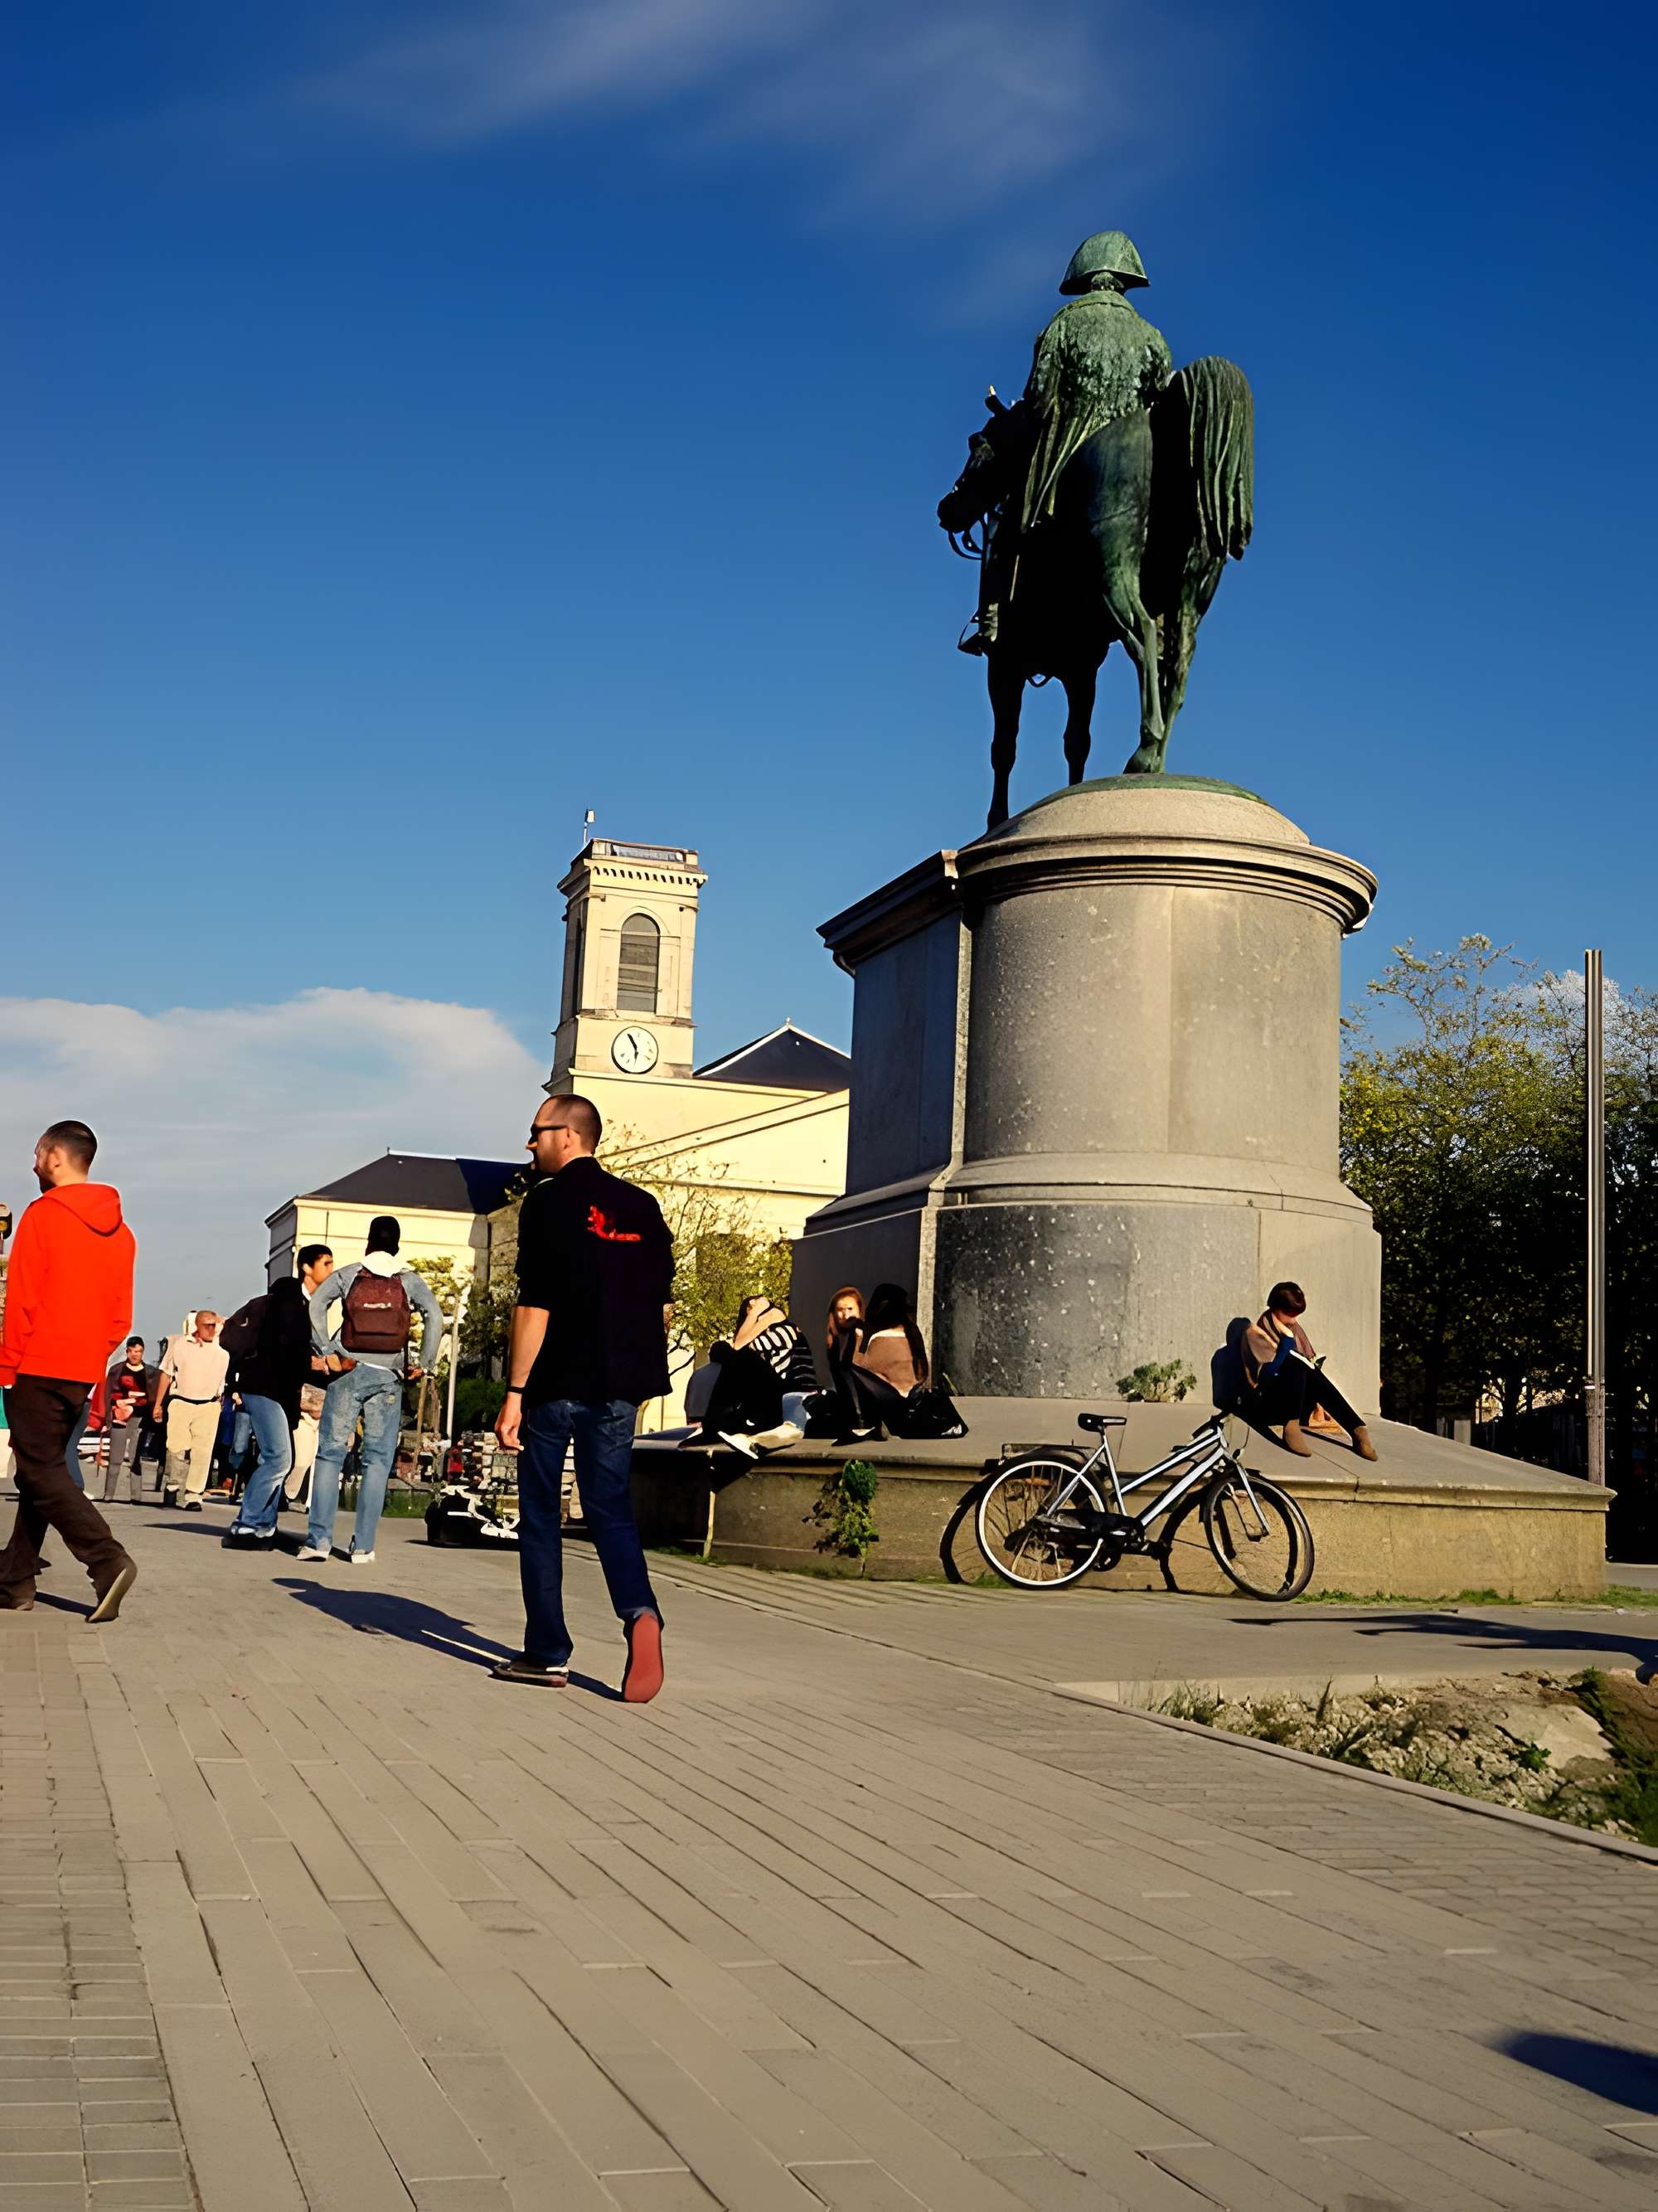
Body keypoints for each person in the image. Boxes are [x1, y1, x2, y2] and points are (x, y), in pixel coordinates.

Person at [493, 1094, 672, 1698]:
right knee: (610, 1509)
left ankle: (547, 1652)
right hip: (621, 1384)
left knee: (542, 1515)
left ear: (568, 1136)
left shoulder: (545, 1204)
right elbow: (662, 1309)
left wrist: (515, 1391)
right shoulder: (643, 1207)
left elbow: (534, 1304)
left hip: (556, 1385)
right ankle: (641, 1615)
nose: (530, 1145)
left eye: (536, 1132)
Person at [0, 1120, 138, 1621]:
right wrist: (89, 1353)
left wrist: (7, 1367)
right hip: (82, 1371)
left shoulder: (43, 1216)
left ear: (55, 1156)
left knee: (38, 1468)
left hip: (36, 1362)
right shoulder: (123, 1235)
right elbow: (120, 1319)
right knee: (45, 1470)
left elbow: (23, 1301)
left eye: (36, 1156)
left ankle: (106, 1559)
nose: (33, 1165)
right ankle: (15, 1580)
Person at [302, 1215, 442, 1564]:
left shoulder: (349, 1274)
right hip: (389, 1375)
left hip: (348, 1372)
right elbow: (435, 1316)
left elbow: (317, 1305)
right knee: (378, 1461)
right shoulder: (408, 1280)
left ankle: (318, 1542)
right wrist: (423, 1361)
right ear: (397, 1245)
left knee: (330, 1454)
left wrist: (326, 1349)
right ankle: (363, 1546)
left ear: (368, 1242)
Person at [221, 1272, 318, 1546]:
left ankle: (264, 1525)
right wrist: (321, 1368)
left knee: (273, 1459)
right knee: (279, 1459)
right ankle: (247, 1524)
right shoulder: (291, 1308)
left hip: (261, 1389)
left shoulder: (266, 1309)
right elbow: (294, 1355)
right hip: (268, 1390)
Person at [1242, 1283, 1378, 1461]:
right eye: (1290, 1314)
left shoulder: (1292, 1327)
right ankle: (1290, 1427)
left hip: (1297, 1400)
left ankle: (1357, 1429)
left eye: (1296, 1314)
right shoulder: (1255, 1334)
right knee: (1295, 1364)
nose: (1294, 1320)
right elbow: (1266, 1375)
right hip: (1269, 1403)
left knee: (1309, 1370)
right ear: (1275, 1307)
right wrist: (1287, 1341)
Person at [691, 1295, 818, 1458]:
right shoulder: (772, 1332)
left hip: (789, 1398)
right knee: (732, 1356)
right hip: (776, 1399)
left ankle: (715, 1423)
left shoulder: (785, 1330)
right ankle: (721, 1423)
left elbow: (739, 1346)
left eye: (759, 1308)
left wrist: (755, 1315)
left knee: (734, 1354)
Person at [829, 1281, 931, 1439]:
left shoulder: (882, 1338)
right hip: (911, 1400)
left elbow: (859, 1370)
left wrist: (856, 1339)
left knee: (845, 1368)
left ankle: (862, 1426)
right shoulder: (912, 1332)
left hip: (895, 1404)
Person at [155, 1310, 229, 1510]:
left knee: (202, 1452)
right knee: (177, 1448)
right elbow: (166, 1374)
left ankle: (193, 1495)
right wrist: (158, 1404)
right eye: (208, 1326)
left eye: (215, 1325)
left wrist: (220, 1321)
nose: (212, 1329)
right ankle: (173, 1486)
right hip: (181, 1401)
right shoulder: (179, 1344)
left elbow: (233, 1324)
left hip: (209, 1405)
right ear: (197, 1326)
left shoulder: (221, 1347)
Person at [99, 1338, 157, 1506]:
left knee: (135, 1457)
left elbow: (153, 1397)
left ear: (143, 1351)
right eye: (132, 1351)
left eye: (138, 1351)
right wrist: (113, 1409)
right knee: (115, 1458)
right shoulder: (117, 1370)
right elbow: (108, 1394)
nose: (135, 1355)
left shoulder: (151, 1373)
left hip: (140, 1419)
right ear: (127, 1352)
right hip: (119, 1417)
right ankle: (108, 1494)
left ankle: (136, 1496)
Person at [824, 1286, 864, 1363]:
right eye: (840, 1309)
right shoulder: (833, 1338)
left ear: (859, 1310)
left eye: (850, 1309)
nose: (846, 1315)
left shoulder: (864, 1336)